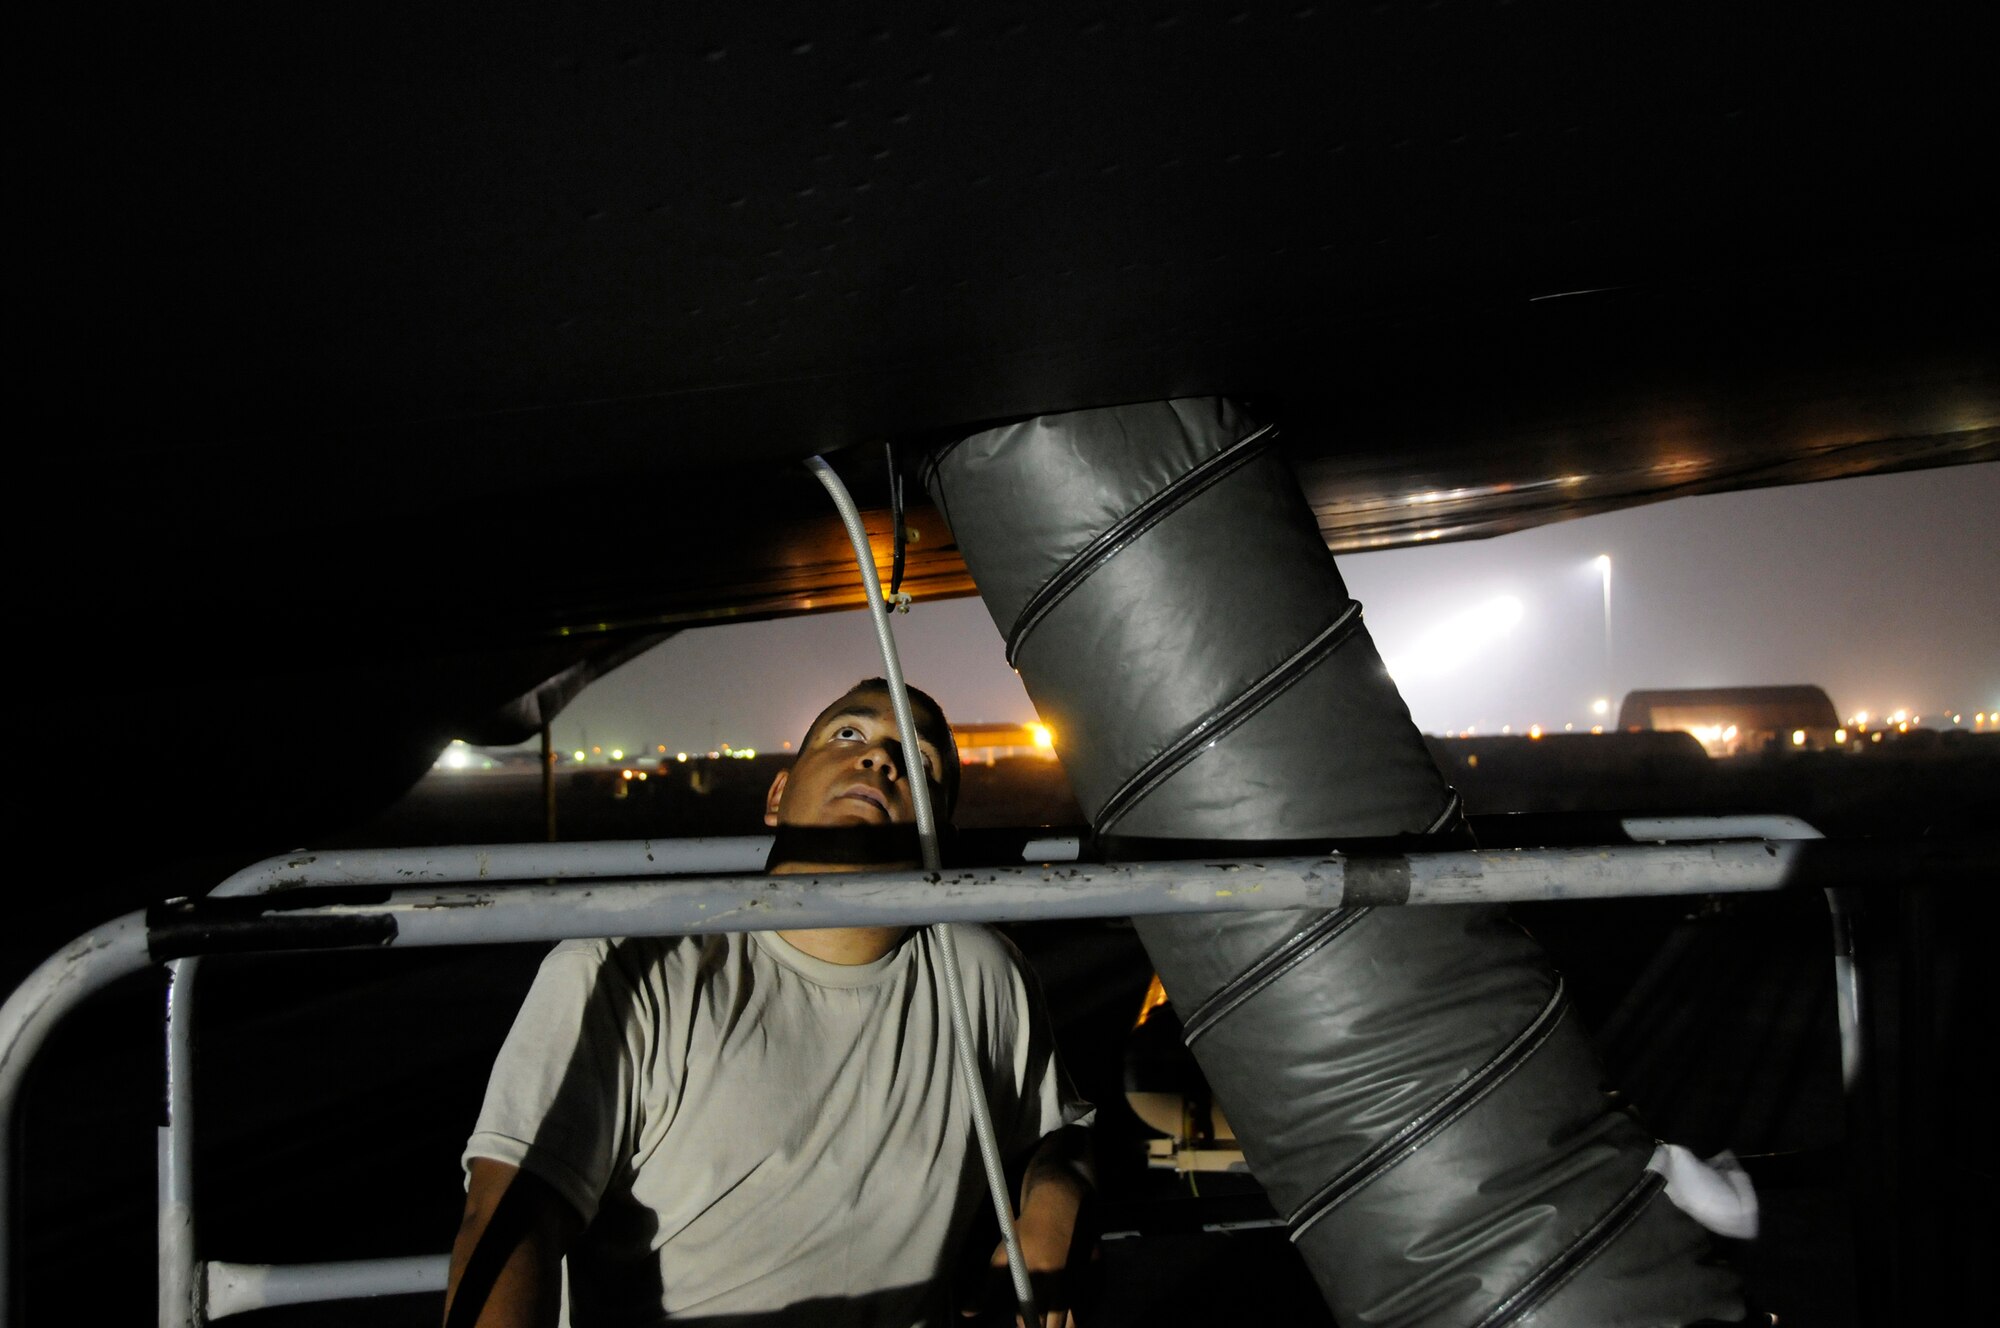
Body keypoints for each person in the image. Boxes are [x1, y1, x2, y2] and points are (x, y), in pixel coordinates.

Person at [444, 678, 1095, 1328]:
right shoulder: (628, 968)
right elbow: (511, 1219)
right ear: (777, 794)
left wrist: (1056, 1193)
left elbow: (1061, 1133)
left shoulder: (982, 975)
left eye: (918, 760)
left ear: (939, 834)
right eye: (849, 734)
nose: (880, 758)